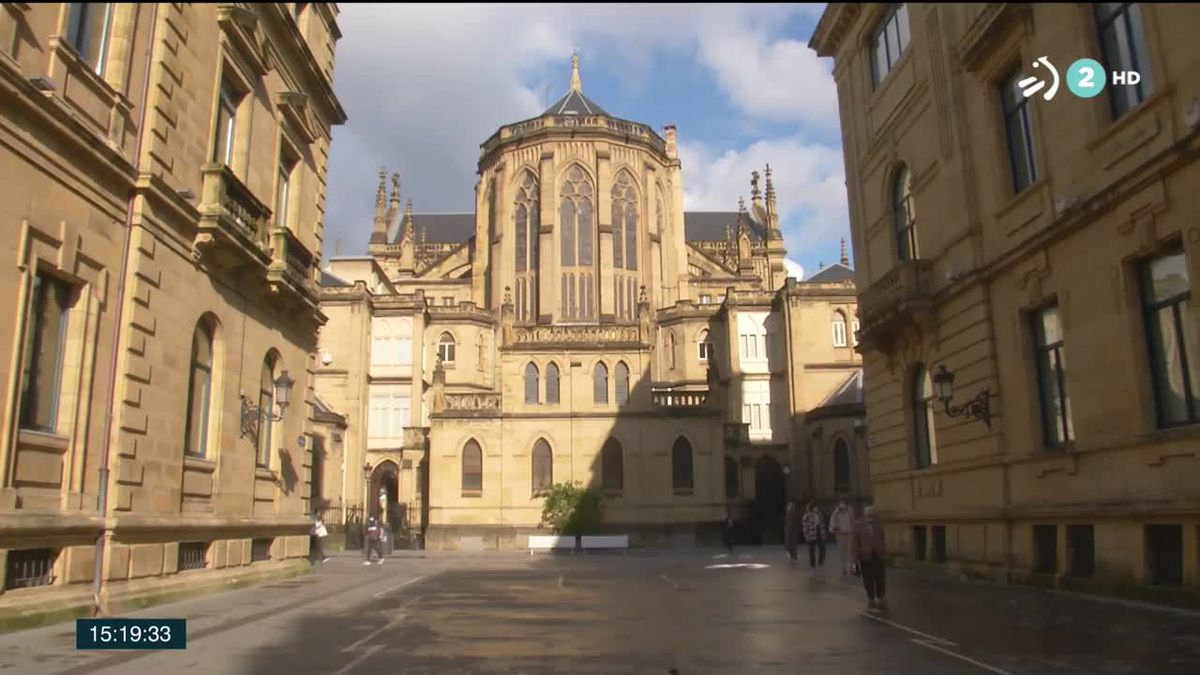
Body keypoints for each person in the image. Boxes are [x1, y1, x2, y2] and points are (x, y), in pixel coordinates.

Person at [853, 505, 887, 610]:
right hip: (865, 555)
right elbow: (855, 543)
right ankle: (871, 596)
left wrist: (882, 547)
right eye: (869, 514)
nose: (872, 516)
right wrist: (855, 560)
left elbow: (882, 536)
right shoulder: (858, 524)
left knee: (880, 575)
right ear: (865, 514)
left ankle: (880, 595)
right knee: (868, 577)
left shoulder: (879, 522)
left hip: (877, 553)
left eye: (873, 514)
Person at [829, 499, 856, 577]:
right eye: (841, 503)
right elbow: (832, 521)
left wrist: (853, 530)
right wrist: (836, 527)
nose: (842, 504)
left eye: (844, 502)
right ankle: (843, 568)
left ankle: (851, 568)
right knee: (842, 551)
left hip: (849, 533)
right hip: (840, 534)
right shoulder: (836, 512)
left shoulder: (850, 510)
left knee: (850, 551)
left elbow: (853, 520)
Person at [802, 502, 826, 572]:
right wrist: (806, 535)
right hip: (811, 534)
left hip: (819, 533)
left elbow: (822, 523)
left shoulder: (819, 514)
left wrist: (823, 533)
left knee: (822, 548)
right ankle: (812, 565)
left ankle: (820, 562)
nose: (816, 508)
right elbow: (804, 526)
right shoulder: (807, 515)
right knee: (811, 551)